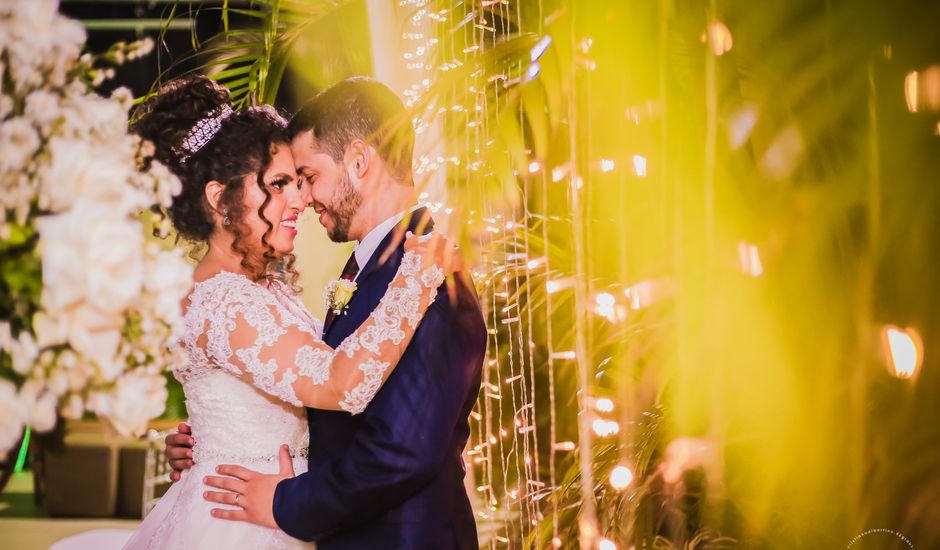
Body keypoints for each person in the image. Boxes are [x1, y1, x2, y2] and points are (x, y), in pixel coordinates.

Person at [121, 75, 452, 549]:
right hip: (239, 523)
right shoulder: (225, 302)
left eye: (299, 181)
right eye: (279, 184)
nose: (298, 199)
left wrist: (211, 438)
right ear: (220, 200)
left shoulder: (265, 288)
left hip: (282, 510)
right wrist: (417, 277)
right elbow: (340, 383)